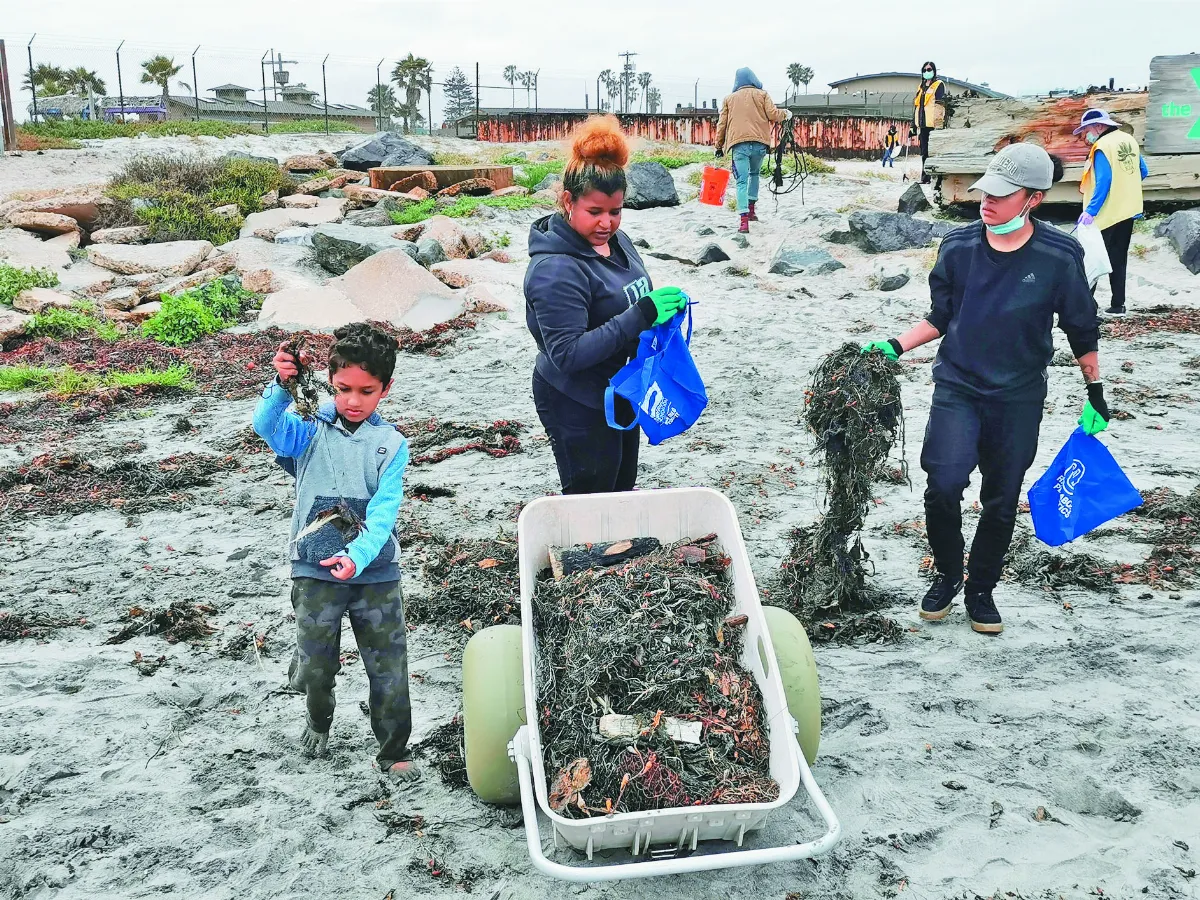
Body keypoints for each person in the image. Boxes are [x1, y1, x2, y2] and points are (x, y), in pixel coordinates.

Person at [861, 143, 1108, 635]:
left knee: (1001, 496)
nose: (986, 202)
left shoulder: (1059, 256)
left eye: (1001, 194)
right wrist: (894, 345)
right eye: (984, 191)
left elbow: (1081, 327)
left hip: (1018, 395)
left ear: (1033, 199)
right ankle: (949, 575)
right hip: (958, 385)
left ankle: (981, 589)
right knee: (944, 484)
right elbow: (941, 316)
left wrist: (1095, 390)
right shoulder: (958, 247)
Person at [253, 323, 418, 780]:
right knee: (317, 666)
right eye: (343, 388)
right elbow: (266, 426)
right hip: (313, 570)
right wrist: (282, 386)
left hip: (376, 574)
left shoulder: (391, 445)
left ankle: (392, 750)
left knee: (388, 667)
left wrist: (359, 556)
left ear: (386, 387)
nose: (353, 400)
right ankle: (318, 717)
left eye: (367, 391)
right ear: (329, 379)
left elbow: (384, 514)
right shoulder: (309, 429)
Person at [524, 115, 686, 495]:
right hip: (574, 400)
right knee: (592, 498)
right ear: (568, 202)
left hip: (621, 390)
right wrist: (642, 314)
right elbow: (567, 354)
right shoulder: (555, 271)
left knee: (621, 488)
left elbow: (631, 297)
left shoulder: (617, 241)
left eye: (615, 211)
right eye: (594, 212)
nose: (606, 222)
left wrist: (661, 313)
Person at [1074, 108, 1149, 317]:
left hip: (1106, 214)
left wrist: (1090, 211)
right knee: (1118, 259)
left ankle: (1087, 305)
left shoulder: (1102, 146)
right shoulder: (1129, 140)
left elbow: (1104, 182)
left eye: (1087, 130)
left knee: (1093, 258)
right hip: (1128, 210)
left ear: (1099, 126)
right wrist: (1125, 191)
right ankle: (1118, 305)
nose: (1085, 136)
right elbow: (1143, 171)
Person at [714, 67, 791, 233]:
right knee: (754, 175)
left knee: (741, 181)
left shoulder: (729, 99)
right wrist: (787, 114)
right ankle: (752, 211)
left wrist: (718, 146)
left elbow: (722, 125)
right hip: (759, 144)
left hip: (738, 145)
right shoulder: (762, 95)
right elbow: (774, 114)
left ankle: (743, 222)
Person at [913, 61, 947, 184]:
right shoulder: (921, 87)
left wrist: (939, 124)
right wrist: (913, 124)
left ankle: (935, 178)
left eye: (929, 69)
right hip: (922, 124)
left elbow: (940, 104)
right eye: (925, 70)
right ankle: (925, 177)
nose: (927, 72)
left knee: (932, 152)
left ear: (934, 71)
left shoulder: (938, 85)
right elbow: (917, 105)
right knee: (923, 152)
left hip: (933, 124)